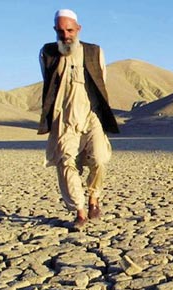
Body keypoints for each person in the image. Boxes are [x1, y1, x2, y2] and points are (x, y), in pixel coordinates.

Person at [38, 9, 120, 230]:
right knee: (65, 162)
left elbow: (102, 81)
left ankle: (94, 197)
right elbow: (48, 84)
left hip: (91, 114)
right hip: (64, 118)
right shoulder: (48, 53)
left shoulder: (94, 52)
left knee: (100, 158)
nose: (66, 35)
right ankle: (80, 212)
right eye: (61, 31)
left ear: (78, 29)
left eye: (70, 30)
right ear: (56, 30)